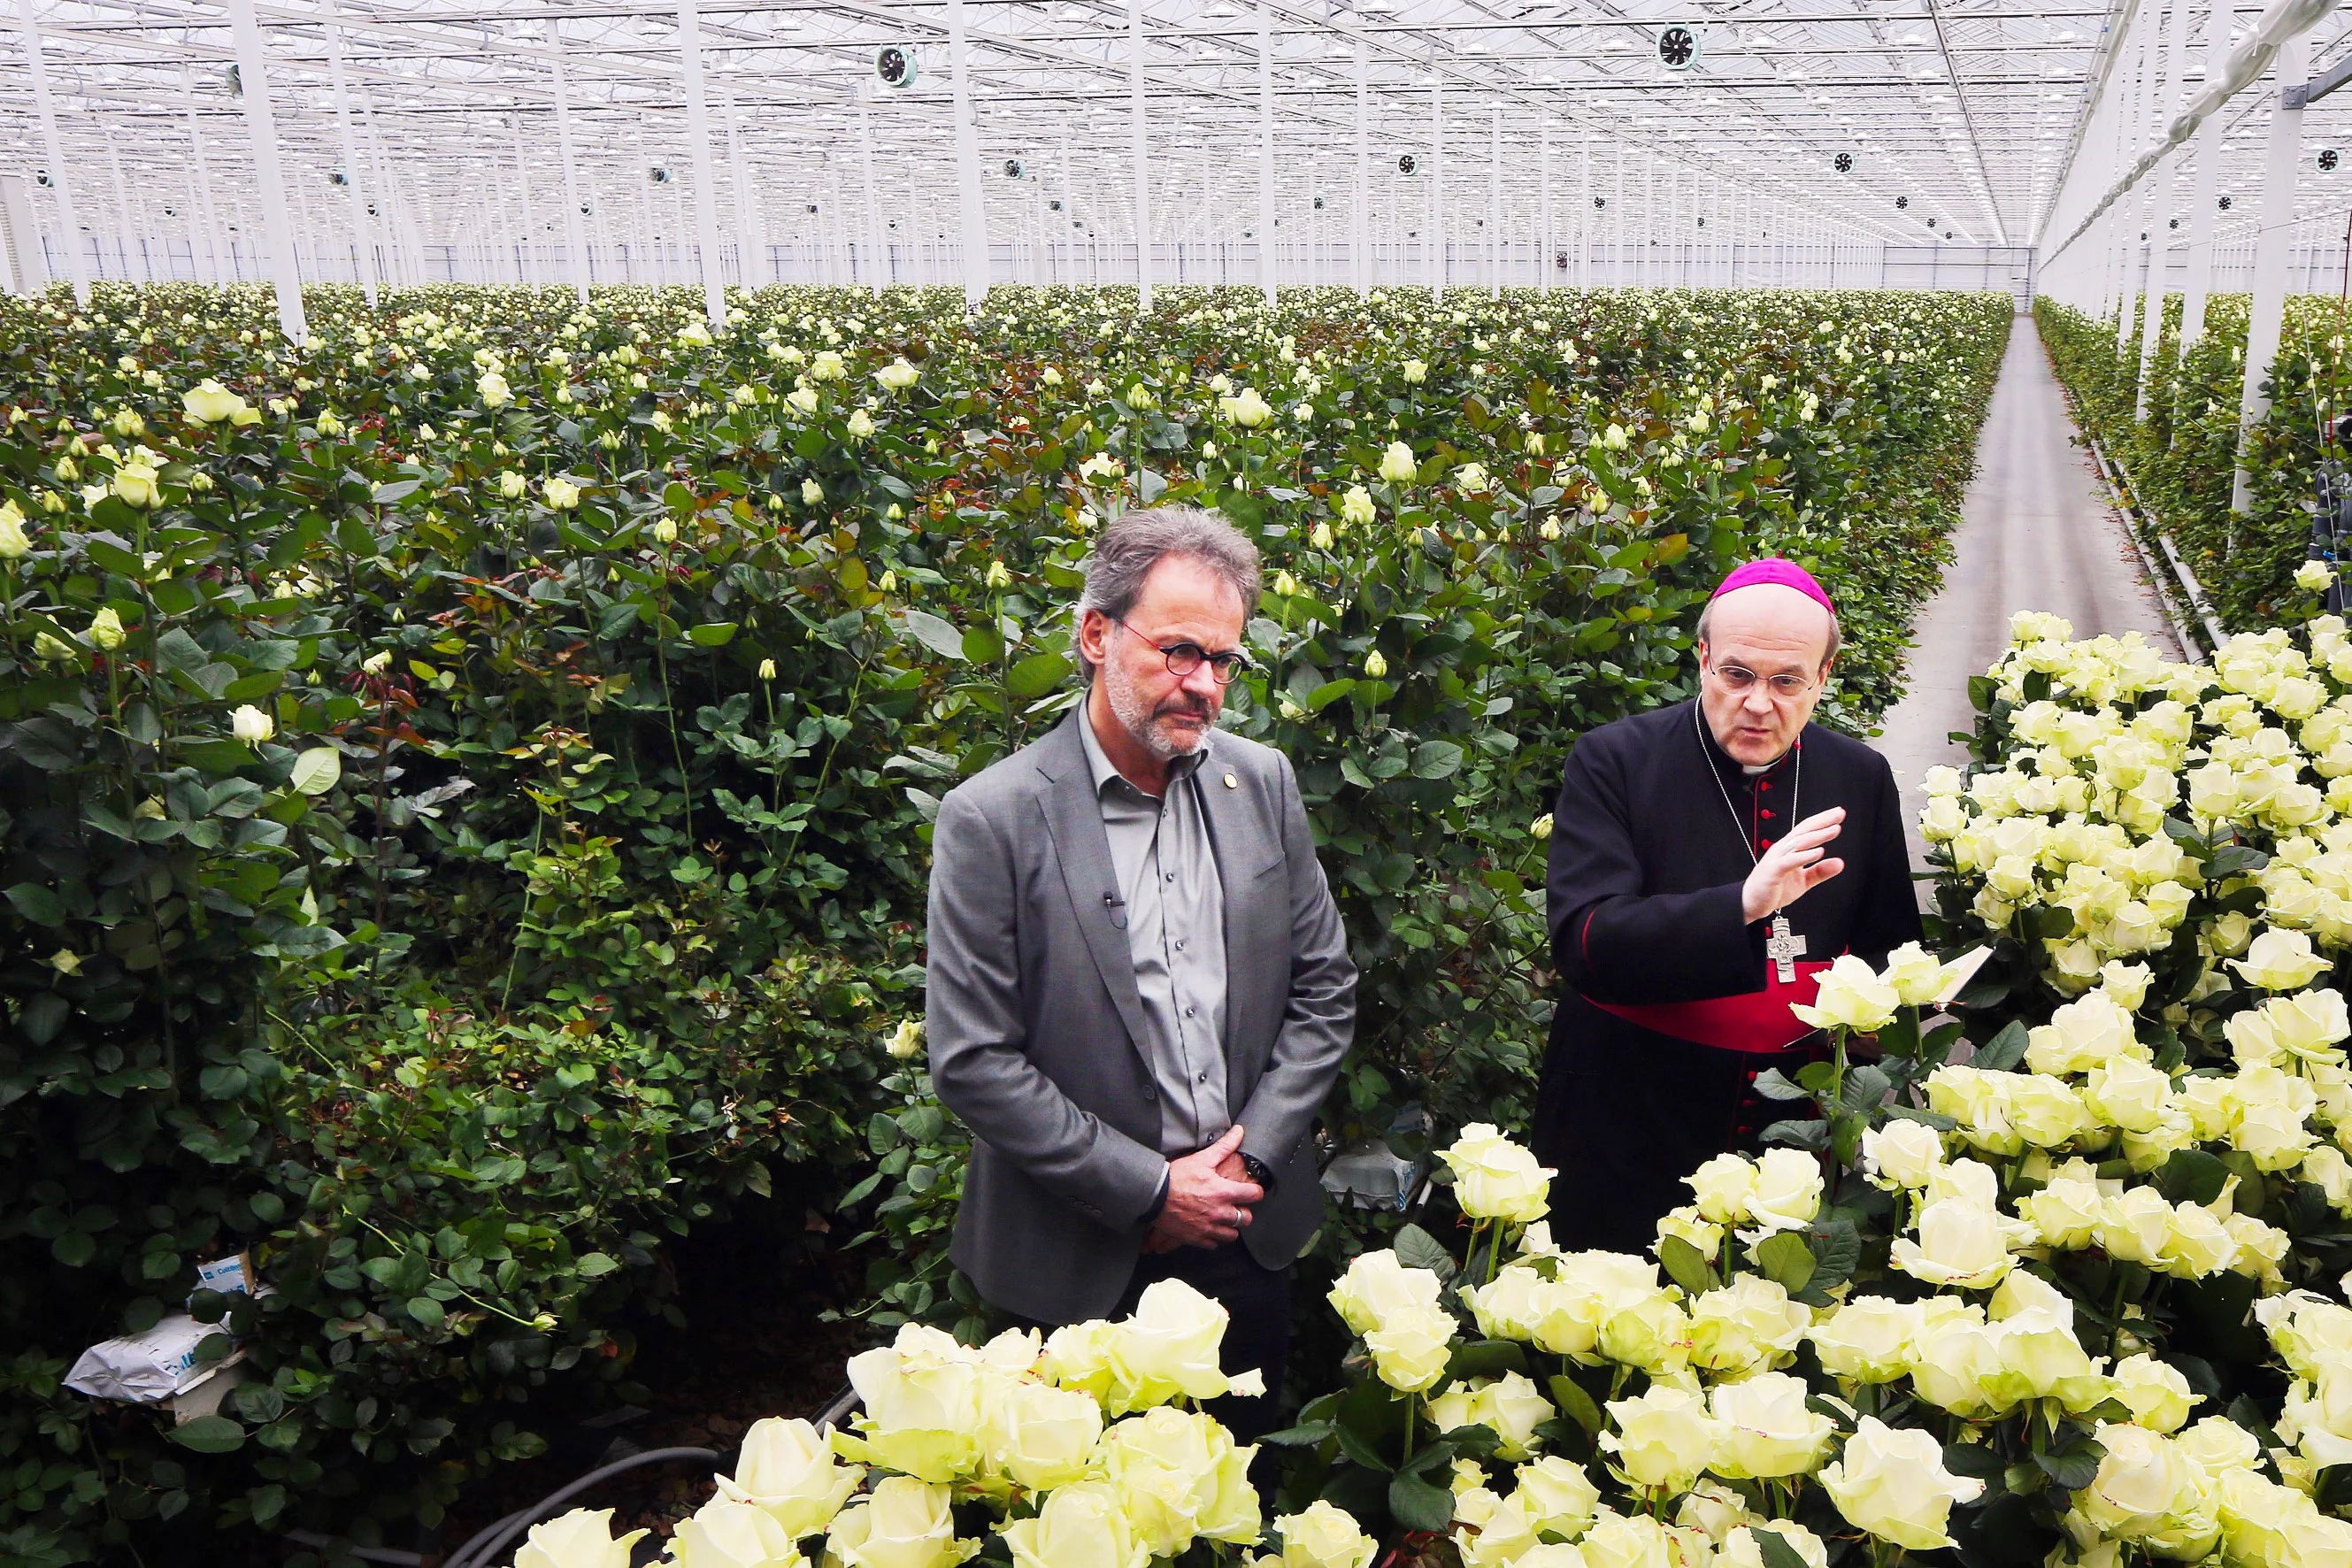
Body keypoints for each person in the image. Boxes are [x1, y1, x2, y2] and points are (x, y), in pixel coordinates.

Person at [926, 506, 1357, 1438]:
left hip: (1244, 1234)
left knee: (1243, 1501)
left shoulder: (1264, 782)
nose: (1203, 684)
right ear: (1094, 634)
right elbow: (973, 1059)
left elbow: (1325, 988)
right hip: (1077, 1260)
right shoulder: (992, 818)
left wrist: (1242, 1165)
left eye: (1225, 661)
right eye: (1177, 651)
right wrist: (1151, 1190)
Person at [1532, 557, 1922, 1254]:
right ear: (1704, 659)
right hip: (1627, 1112)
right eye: (1737, 675)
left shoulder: (1859, 776)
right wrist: (1744, 903)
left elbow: (1888, 948)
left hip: (1791, 1126)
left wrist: (1889, 1012)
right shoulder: (1613, 760)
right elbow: (1585, 940)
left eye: (1787, 682)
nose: (1759, 704)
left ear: (1823, 678)